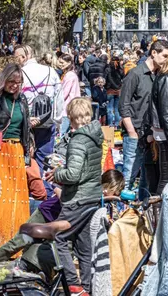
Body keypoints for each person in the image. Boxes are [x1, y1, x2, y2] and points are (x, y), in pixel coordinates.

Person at [46, 97, 104, 296]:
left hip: (78, 198)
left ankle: (73, 283)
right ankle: (86, 288)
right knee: (83, 245)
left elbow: (73, 174)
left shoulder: (79, 140)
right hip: (92, 197)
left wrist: (56, 173)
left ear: (71, 118)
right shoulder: (95, 135)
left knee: (57, 236)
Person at [0, 64, 32, 251]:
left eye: (18, 83)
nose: (15, 86)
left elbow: (25, 127)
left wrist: (27, 152)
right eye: (11, 82)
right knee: (1, 198)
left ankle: (15, 244)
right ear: (4, 80)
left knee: (18, 198)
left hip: (17, 150)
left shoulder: (23, 100)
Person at [119, 40, 165, 196]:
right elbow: (123, 105)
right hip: (135, 131)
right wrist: (132, 132)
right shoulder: (135, 74)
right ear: (154, 53)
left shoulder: (158, 76)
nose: (167, 60)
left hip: (150, 134)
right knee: (128, 178)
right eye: (164, 55)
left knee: (147, 177)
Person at [144, 39, 168, 196]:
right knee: (166, 177)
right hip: (167, 132)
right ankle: (159, 213)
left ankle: (160, 211)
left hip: (166, 131)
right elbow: (166, 112)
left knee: (166, 175)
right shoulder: (166, 78)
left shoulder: (164, 78)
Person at [17, 44, 62, 177]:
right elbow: (59, 98)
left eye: (16, 58)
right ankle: (43, 187)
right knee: (45, 157)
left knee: (26, 156)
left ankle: (29, 185)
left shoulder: (20, 73)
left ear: (24, 56)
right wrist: (58, 121)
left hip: (27, 122)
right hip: (47, 120)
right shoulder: (50, 71)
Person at [57, 54, 81, 137]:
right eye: (59, 62)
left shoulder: (69, 75)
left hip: (66, 109)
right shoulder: (70, 74)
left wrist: (55, 101)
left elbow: (64, 93)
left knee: (62, 134)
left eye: (62, 62)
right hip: (70, 108)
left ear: (69, 63)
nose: (60, 64)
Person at [105, 53, 124, 129]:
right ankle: (117, 124)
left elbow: (106, 78)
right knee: (117, 109)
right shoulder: (120, 69)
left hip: (110, 91)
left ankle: (110, 125)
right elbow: (123, 78)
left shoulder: (108, 69)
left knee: (109, 109)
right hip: (118, 90)